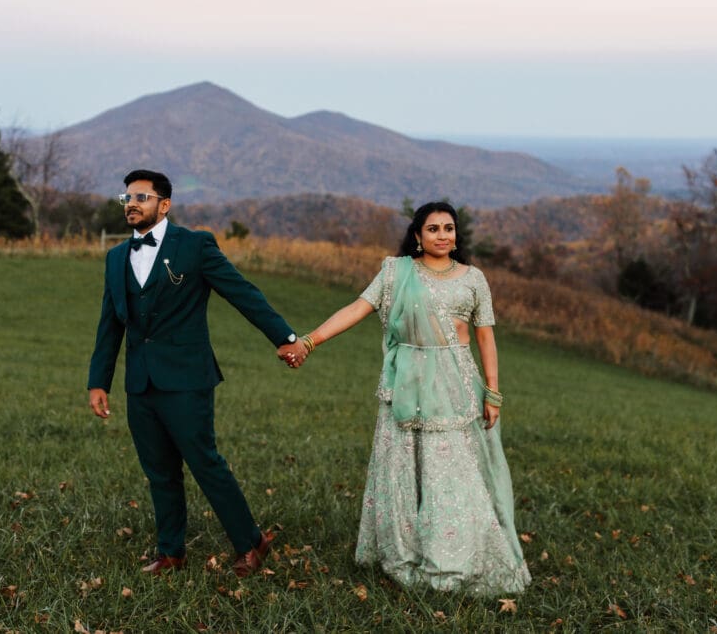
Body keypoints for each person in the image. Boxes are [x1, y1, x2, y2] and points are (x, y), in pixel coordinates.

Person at [282, 202, 531, 595]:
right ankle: (405, 551)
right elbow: (357, 309)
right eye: (433, 228)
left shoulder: (473, 278)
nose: (442, 235)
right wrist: (310, 341)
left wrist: (493, 391)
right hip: (405, 385)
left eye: (448, 228)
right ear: (417, 235)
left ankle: (454, 559)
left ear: (456, 235)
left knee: (451, 473)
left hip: (454, 387)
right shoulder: (396, 273)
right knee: (402, 469)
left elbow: (486, 336)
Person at [87, 169, 308, 577]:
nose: (131, 204)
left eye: (141, 197)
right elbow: (110, 323)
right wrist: (99, 381)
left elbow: (242, 292)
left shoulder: (195, 246)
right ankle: (171, 552)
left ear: (164, 205)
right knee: (159, 471)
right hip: (139, 382)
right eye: (127, 198)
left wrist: (285, 337)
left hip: (187, 379)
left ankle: (251, 542)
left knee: (205, 463)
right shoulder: (116, 257)